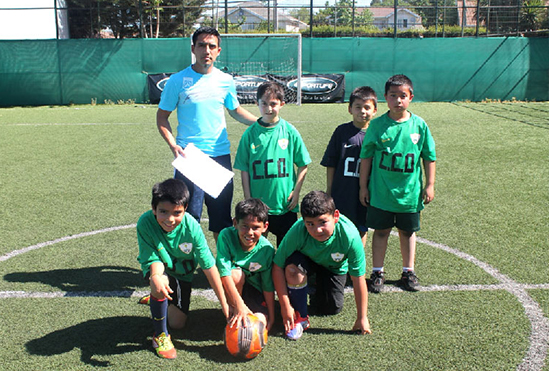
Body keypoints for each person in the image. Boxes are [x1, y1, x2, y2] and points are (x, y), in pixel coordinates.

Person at [156, 26, 257, 242]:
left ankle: (221, 269)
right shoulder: (177, 80)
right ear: (193, 48)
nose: (206, 50)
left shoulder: (225, 81)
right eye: (202, 45)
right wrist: (173, 145)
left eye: (212, 46)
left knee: (221, 219)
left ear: (218, 51)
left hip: (219, 157)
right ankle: (185, 269)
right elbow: (162, 117)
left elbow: (236, 111)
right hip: (190, 157)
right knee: (188, 218)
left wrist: (261, 123)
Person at [359, 74, 436, 293]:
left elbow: (429, 157)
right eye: (393, 96)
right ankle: (377, 271)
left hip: (409, 195)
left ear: (411, 97)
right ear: (385, 98)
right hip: (382, 193)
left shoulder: (419, 125)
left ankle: (408, 271)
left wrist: (430, 184)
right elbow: (366, 158)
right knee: (380, 232)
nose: (398, 100)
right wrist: (363, 187)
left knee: (407, 232)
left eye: (403, 96)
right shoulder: (377, 126)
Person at [136, 178, 229, 359]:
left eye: (177, 213)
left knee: (178, 323)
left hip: (182, 275)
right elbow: (154, 261)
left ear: (185, 209)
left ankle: (159, 300)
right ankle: (160, 335)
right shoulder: (145, 223)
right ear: (154, 209)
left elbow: (209, 266)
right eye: (163, 212)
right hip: (160, 269)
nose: (170, 219)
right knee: (159, 281)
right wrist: (156, 277)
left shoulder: (191, 227)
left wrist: (225, 306)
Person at [272, 191, 371, 340]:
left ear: (335, 216)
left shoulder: (350, 235)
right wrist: (285, 306)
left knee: (331, 308)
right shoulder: (298, 230)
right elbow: (277, 266)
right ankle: (301, 317)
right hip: (307, 260)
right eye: (310, 224)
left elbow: (358, 279)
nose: (317, 230)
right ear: (303, 221)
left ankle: (312, 284)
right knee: (292, 270)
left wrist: (362, 317)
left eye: (323, 222)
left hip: (333, 267)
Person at [234, 81, 311, 246]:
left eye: (273, 104)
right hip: (259, 206)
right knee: (257, 250)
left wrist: (296, 192)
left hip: (285, 205)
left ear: (282, 104)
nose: (268, 108)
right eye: (264, 104)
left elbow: (303, 164)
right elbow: (244, 169)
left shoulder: (289, 131)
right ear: (257, 104)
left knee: (287, 252)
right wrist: (248, 198)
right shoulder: (250, 134)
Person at [321, 86, 378, 247]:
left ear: (375, 110)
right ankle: (337, 265)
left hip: (366, 193)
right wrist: (330, 189)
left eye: (367, 107)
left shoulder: (377, 134)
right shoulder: (341, 132)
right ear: (350, 109)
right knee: (338, 227)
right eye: (358, 107)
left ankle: (357, 266)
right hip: (342, 191)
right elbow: (331, 163)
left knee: (361, 228)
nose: (362, 111)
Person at [216, 198, 276, 331]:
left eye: (256, 228)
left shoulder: (266, 250)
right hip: (233, 287)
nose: (250, 232)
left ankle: (248, 313)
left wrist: (271, 316)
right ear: (235, 223)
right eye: (245, 226)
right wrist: (239, 305)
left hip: (255, 291)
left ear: (265, 227)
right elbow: (224, 273)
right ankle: (232, 311)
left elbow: (267, 286)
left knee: (259, 324)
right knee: (236, 274)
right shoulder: (226, 236)